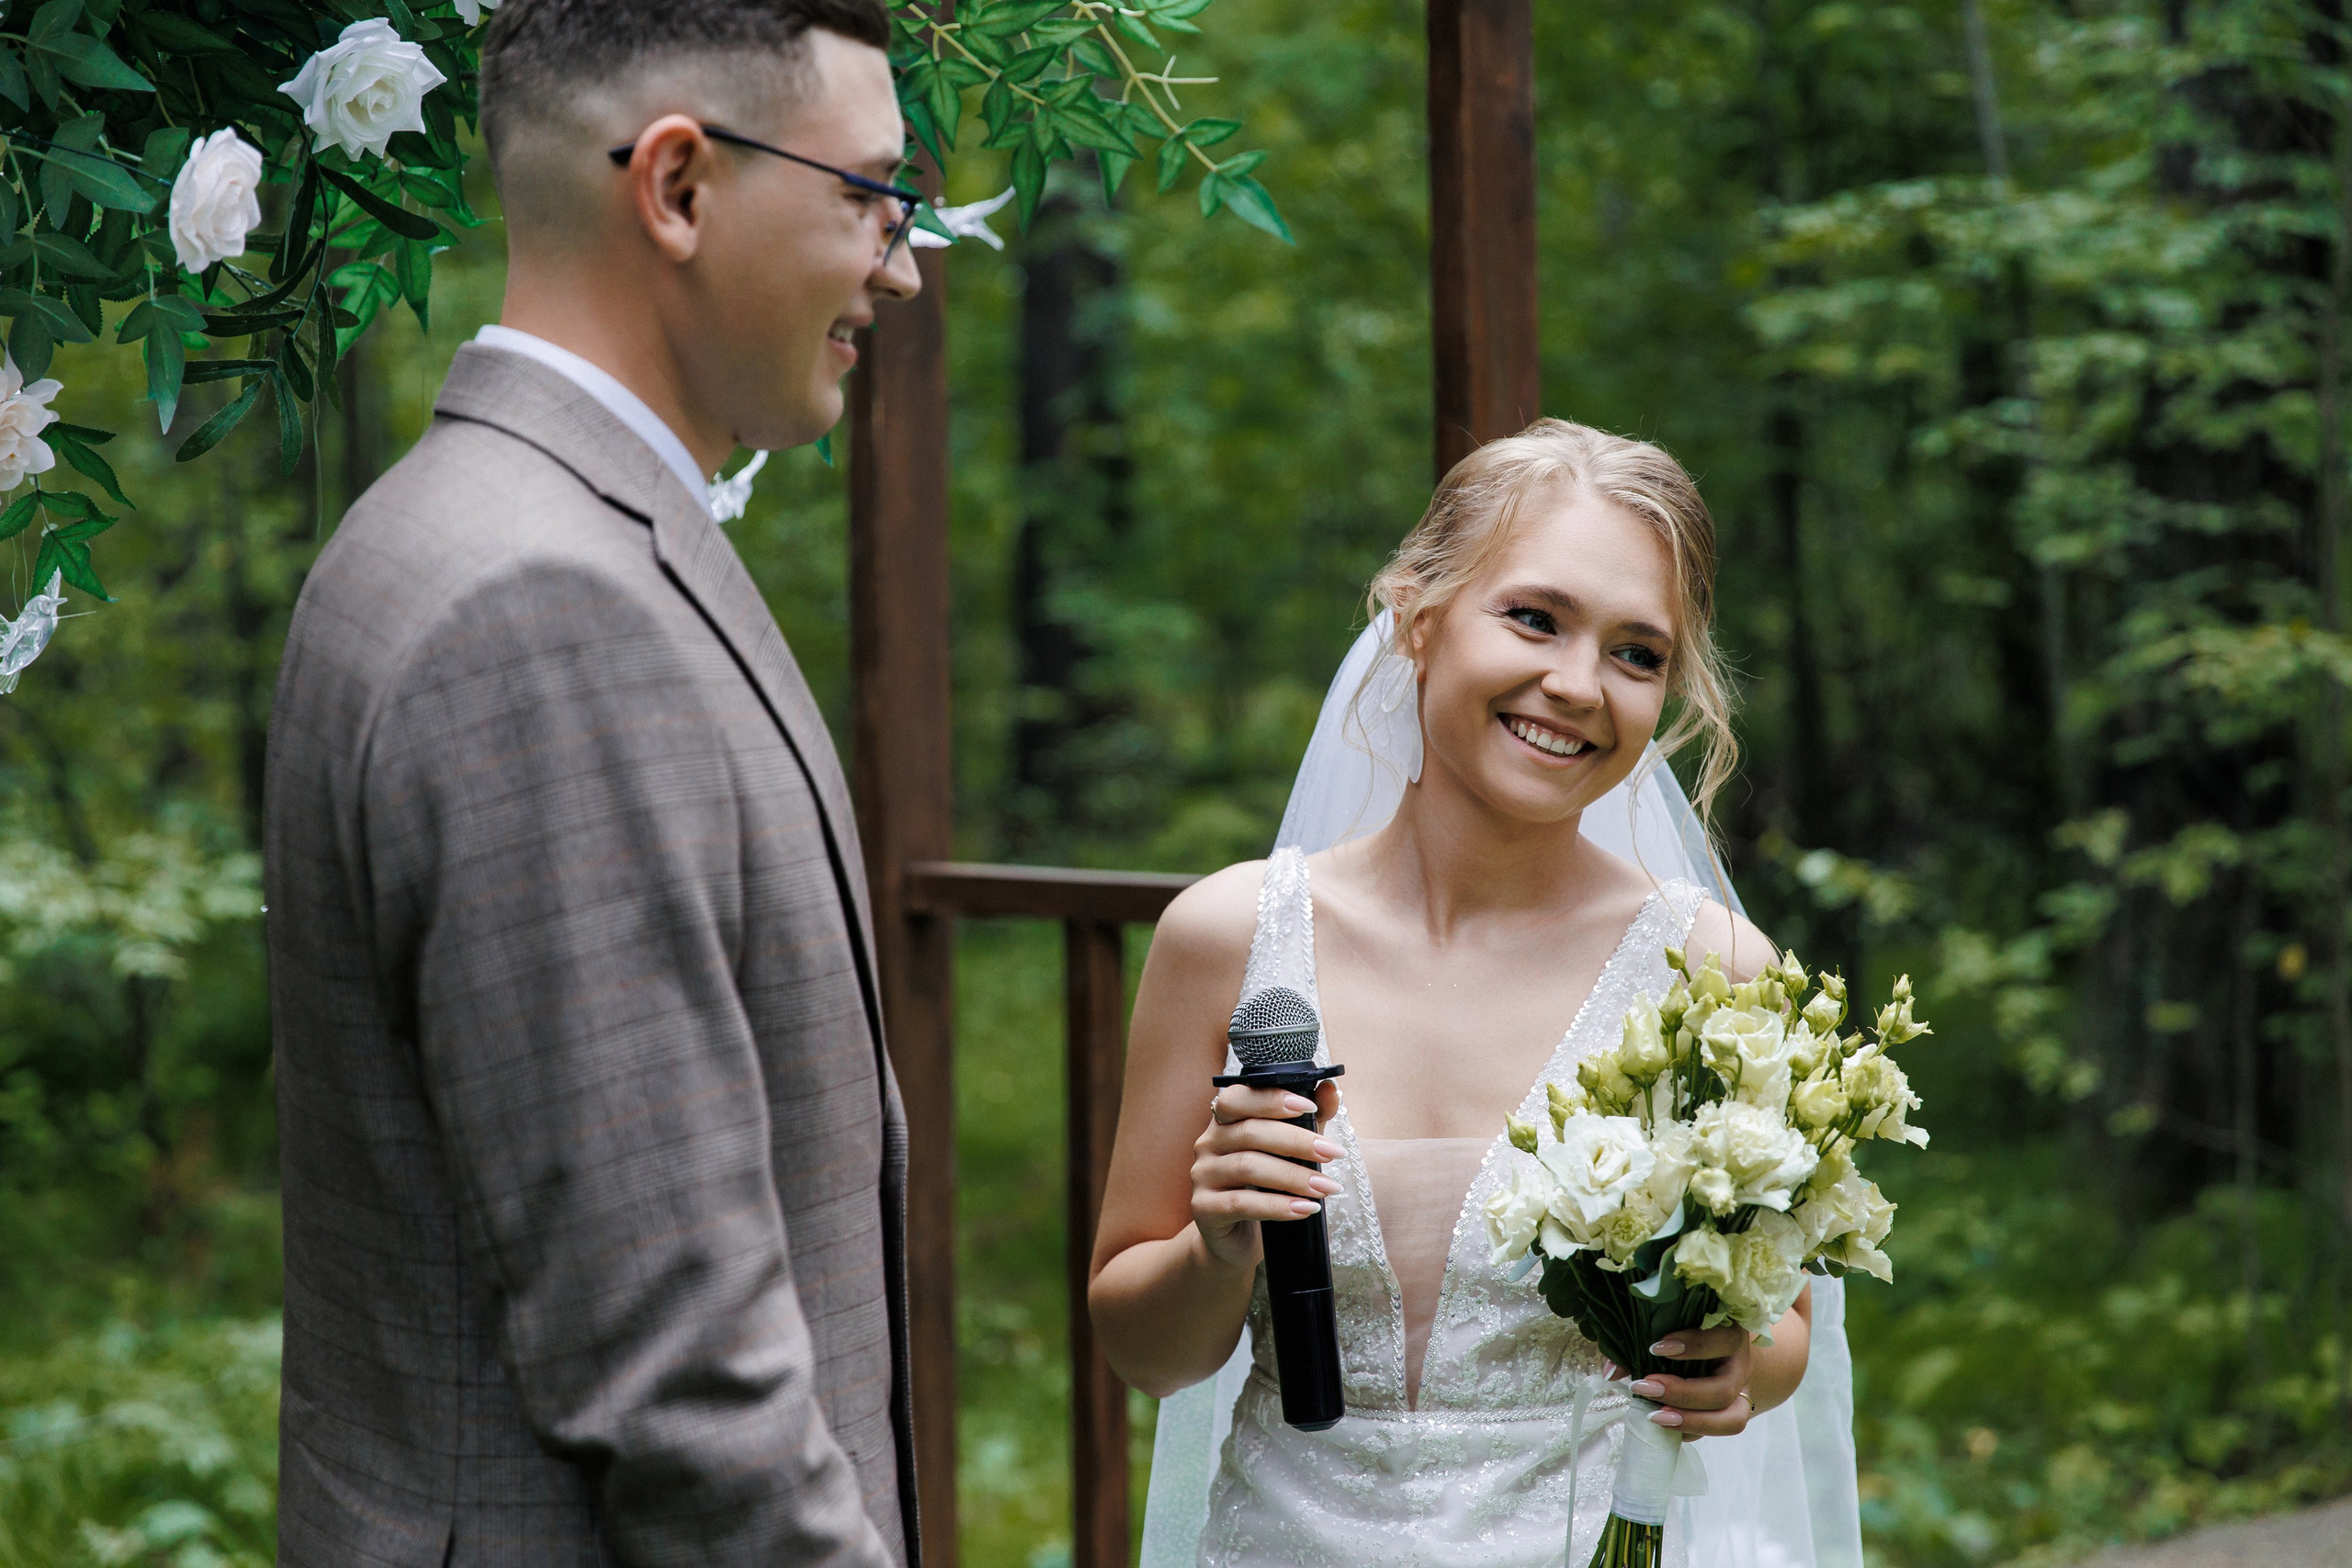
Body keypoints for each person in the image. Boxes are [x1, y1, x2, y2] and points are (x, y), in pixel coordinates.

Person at [261, 2, 924, 1562]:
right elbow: (686, 1391)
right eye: (867, 194)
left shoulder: (458, 523)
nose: (899, 260)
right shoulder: (541, 611)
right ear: (681, 187)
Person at [1091, 420, 1863, 1566]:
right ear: (1416, 613)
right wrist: (1216, 1248)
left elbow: (1785, 1327)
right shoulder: (1229, 939)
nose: (1574, 684)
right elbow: (1145, 1353)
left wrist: (1737, 1367)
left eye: (1636, 654)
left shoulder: (1714, 972)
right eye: (1534, 618)